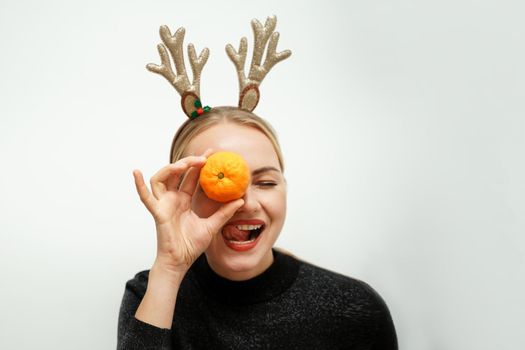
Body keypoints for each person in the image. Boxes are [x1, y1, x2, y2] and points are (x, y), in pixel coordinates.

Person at [117, 16, 397, 350]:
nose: (246, 202)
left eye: (265, 183)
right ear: (182, 196)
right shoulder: (152, 293)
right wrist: (170, 267)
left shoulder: (353, 308)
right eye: (215, 185)